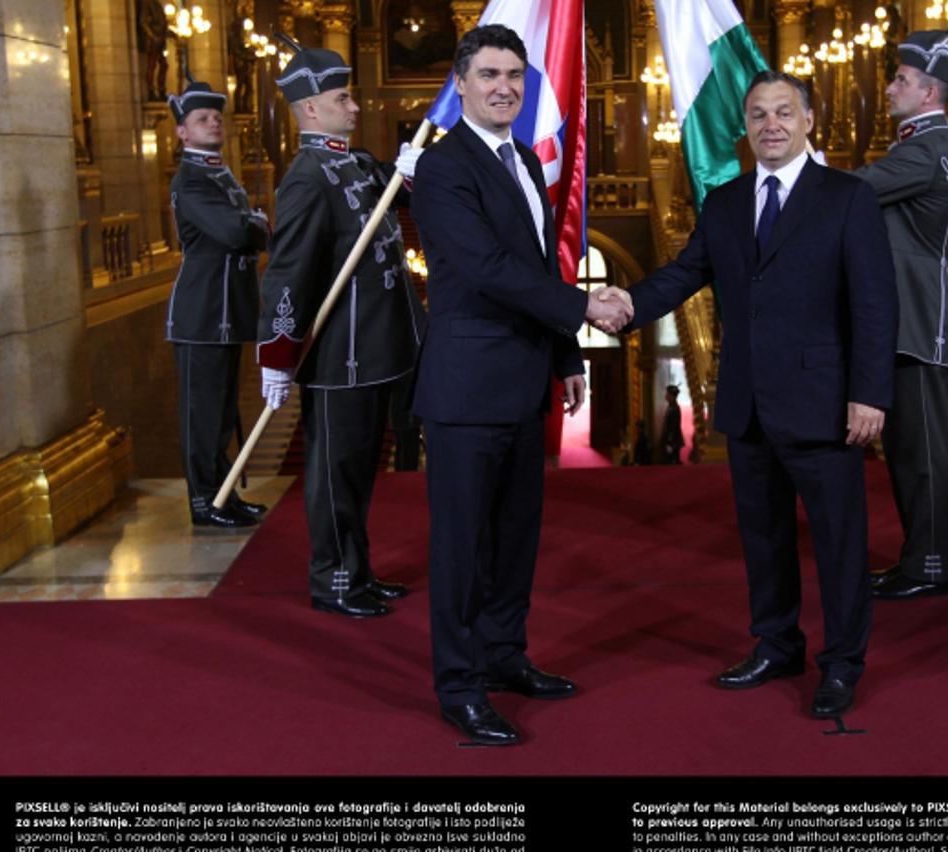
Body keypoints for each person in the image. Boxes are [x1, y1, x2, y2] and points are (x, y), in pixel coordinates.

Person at [618, 70, 896, 719]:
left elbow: (876, 306)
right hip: (747, 405)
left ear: (807, 122)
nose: (770, 124)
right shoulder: (724, 202)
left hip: (827, 403)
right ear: (745, 128)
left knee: (838, 543)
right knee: (764, 537)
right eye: (758, 115)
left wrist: (870, 394)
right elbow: (685, 274)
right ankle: (776, 644)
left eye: (783, 113)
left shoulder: (848, 198)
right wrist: (624, 304)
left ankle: (843, 664)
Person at [409, 25, 630, 746]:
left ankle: (505, 657)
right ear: (462, 83)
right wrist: (585, 308)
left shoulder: (525, 165)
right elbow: (483, 270)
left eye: (516, 75)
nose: (505, 86)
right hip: (467, 389)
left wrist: (566, 354)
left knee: (514, 539)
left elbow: (538, 267)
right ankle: (460, 686)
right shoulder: (443, 169)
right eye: (490, 74)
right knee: (463, 548)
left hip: (525, 381)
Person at [256, 40, 426, 619]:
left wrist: (403, 175)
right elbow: (287, 272)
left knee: (359, 475)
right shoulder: (306, 178)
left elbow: (385, 193)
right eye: (343, 98)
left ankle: (359, 571)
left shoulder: (348, 162)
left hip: (379, 349)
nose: (354, 108)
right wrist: (277, 355)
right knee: (335, 476)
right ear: (310, 109)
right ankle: (333, 578)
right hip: (342, 357)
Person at [854, 23, 948, 600]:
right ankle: (918, 558)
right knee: (906, 449)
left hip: (917, 319)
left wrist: (800, 171)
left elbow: (853, 193)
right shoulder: (922, 144)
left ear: (929, 93)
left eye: (901, 80)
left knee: (922, 452)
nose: (890, 87)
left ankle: (928, 566)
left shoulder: (923, 151)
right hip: (908, 316)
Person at [165, 76, 270, 529]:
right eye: (202, 119)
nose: (213, 124)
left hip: (229, 309)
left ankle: (223, 493)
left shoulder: (219, 173)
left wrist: (250, 223)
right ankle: (203, 501)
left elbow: (245, 228)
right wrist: (254, 223)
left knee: (225, 410)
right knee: (202, 413)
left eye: (216, 118)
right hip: (203, 310)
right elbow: (233, 232)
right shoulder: (190, 179)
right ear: (182, 132)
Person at [660, 385, 684, 464]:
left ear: (672, 396)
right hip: (671, 439)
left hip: (673, 440)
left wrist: (670, 442)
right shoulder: (671, 407)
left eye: (667, 394)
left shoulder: (674, 409)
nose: (666, 396)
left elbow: (674, 427)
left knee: (673, 462)